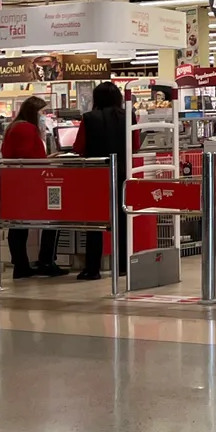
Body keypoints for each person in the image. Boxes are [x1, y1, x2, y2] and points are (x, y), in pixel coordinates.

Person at [0, 96, 65, 278]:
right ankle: (44, 262)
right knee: (52, 219)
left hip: (16, 181)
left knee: (18, 225)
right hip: (29, 182)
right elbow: (28, 157)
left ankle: (21, 264)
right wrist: (47, 160)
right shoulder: (26, 128)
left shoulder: (15, 126)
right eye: (42, 112)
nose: (44, 116)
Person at [75, 81, 130, 282]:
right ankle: (123, 265)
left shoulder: (89, 118)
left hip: (96, 174)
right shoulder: (129, 117)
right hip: (123, 174)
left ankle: (92, 268)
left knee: (95, 221)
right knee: (123, 219)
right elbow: (135, 143)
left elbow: (79, 146)